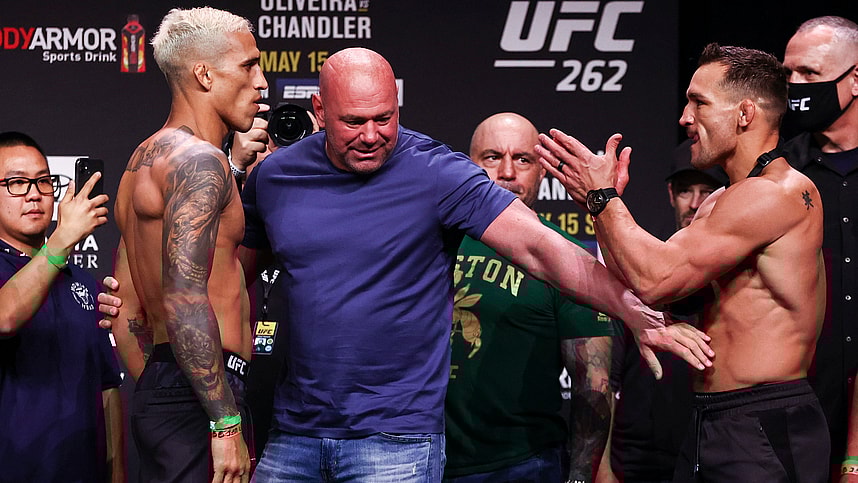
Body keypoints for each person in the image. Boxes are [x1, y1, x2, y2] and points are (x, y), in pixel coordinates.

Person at [240, 47, 713, 482]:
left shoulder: (435, 171)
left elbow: (541, 249)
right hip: (293, 435)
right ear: (320, 111)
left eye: (384, 119)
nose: (371, 136)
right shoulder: (277, 177)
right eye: (354, 121)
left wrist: (633, 310)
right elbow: (232, 277)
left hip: (396, 442)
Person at [537, 43, 828, 482]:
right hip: (710, 420)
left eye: (699, 103)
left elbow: (658, 277)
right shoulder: (719, 203)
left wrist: (605, 200)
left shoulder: (779, 193)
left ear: (744, 115)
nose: (684, 118)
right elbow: (642, 284)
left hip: (764, 422)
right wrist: (599, 210)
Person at [106, 7, 267, 483]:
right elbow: (183, 296)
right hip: (204, 394)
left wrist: (163, 388)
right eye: (248, 65)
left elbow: (129, 303)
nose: (261, 82)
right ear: (203, 73)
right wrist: (223, 421)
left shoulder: (142, 159)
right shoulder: (199, 163)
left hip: (172, 383)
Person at [443, 112, 614, 482]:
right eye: (492, 157)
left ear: (542, 171)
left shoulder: (570, 259)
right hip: (417, 459)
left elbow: (593, 384)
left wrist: (581, 477)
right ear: (468, 165)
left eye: (523, 159)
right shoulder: (429, 242)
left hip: (521, 465)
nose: (507, 172)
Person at [601, 142, 727, 483]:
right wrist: (602, 467)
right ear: (671, 194)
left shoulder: (737, 275)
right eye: (686, 190)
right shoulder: (641, 270)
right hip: (637, 459)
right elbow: (606, 382)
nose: (696, 203)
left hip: (711, 453)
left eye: (707, 190)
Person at [0, 131, 122, 482]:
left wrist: (117, 473)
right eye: (16, 183)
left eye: (43, 180)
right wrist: (62, 240)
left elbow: (108, 387)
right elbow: (5, 317)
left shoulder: (82, 281)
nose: (34, 193)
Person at [781, 16, 858, 481]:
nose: (794, 86)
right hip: (798, 412)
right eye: (788, 74)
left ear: (855, 79)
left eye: (809, 74)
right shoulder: (776, 173)